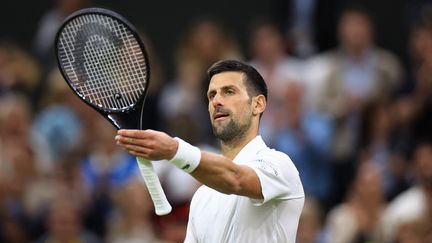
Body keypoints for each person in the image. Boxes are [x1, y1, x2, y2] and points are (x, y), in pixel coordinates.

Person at [115, 60, 305, 242]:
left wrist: (173, 150)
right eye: (212, 95)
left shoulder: (280, 164)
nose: (217, 101)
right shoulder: (201, 198)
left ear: (258, 104)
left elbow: (235, 179)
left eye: (229, 92)